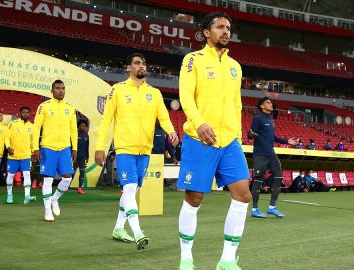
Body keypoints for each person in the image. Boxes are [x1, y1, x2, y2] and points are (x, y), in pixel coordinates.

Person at [176, 12, 251, 270]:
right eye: (220, 27)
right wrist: (200, 123)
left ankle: (227, 260)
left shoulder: (235, 66)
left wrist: (238, 137)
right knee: (194, 198)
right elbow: (185, 96)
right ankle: (186, 258)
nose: (226, 31)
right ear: (207, 32)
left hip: (229, 141)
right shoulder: (192, 60)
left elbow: (237, 104)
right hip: (200, 139)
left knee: (243, 195)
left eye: (228, 27)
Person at [95, 53, 178, 251]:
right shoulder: (118, 90)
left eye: (144, 63)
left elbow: (163, 117)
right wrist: (100, 147)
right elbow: (106, 120)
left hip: (145, 150)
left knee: (131, 190)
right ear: (128, 68)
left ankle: (117, 228)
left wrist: (172, 131)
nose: (142, 66)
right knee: (130, 189)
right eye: (137, 63)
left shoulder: (155, 93)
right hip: (125, 148)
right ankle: (138, 232)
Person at [32, 80, 78, 222]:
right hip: (48, 148)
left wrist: (75, 147)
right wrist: (35, 148)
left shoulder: (70, 108)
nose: (60, 91)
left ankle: (54, 199)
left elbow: (73, 130)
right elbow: (36, 127)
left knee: (67, 177)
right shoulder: (44, 106)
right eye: (57, 88)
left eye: (63, 88)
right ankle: (47, 211)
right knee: (48, 179)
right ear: (52, 91)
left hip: (65, 148)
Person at [248, 97, 298, 219]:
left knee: (279, 176)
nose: (271, 103)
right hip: (260, 154)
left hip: (271, 154)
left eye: (271, 102)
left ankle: (272, 207)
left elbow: (273, 136)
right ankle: (255, 209)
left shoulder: (270, 119)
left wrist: (287, 141)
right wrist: (251, 134)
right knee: (258, 180)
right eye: (268, 102)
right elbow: (250, 134)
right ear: (262, 106)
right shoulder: (257, 118)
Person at [4, 106, 37, 204]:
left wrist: (34, 152)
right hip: (13, 156)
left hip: (26, 156)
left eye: (27, 112)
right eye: (23, 112)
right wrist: (8, 147)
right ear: (20, 113)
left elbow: (33, 142)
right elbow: (6, 137)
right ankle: (9, 195)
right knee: (10, 176)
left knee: (27, 175)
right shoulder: (12, 124)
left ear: (29, 114)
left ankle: (27, 196)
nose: (25, 114)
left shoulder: (32, 126)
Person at [73, 119, 89, 194]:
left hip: (83, 157)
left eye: (84, 126)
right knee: (71, 172)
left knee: (82, 172)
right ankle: (65, 186)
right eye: (82, 126)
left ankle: (80, 188)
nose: (83, 127)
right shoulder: (74, 134)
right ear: (78, 126)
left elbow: (87, 147)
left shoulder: (86, 135)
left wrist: (87, 157)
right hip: (75, 156)